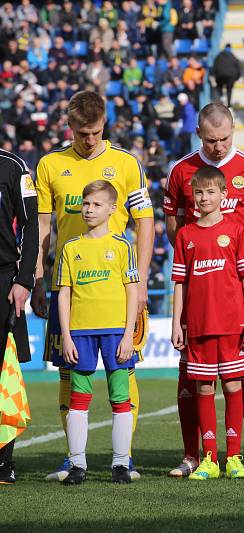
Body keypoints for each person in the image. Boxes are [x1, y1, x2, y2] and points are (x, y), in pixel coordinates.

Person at [32, 91, 154, 482]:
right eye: (83, 132)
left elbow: (145, 222)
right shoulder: (50, 164)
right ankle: (74, 459)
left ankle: (125, 458)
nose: (89, 139)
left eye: (96, 132)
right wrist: (36, 277)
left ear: (106, 125)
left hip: (118, 289)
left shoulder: (127, 163)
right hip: (69, 285)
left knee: (124, 374)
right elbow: (43, 227)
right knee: (68, 376)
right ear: (70, 126)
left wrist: (144, 278)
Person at [165, 102, 244, 477]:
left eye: (225, 138)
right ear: (199, 133)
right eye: (211, 139)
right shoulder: (181, 171)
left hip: (240, 287)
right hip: (200, 289)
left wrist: (241, 261)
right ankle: (192, 454)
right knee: (192, 376)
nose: (218, 146)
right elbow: (174, 226)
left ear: (234, 131)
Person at [171, 166, 244, 481]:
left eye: (210, 192)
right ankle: (209, 458)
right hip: (198, 325)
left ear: (224, 195)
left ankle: (234, 457)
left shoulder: (236, 230)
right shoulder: (186, 235)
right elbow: (179, 282)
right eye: (198, 192)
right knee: (204, 386)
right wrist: (176, 322)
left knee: (233, 384)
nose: (204, 197)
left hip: (233, 324)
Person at [57, 181, 139, 485]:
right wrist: (66, 335)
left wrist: (128, 333)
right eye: (86, 204)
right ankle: (78, 465)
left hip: (116, 332)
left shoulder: (122, 246)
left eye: (97, 204)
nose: (90, 209)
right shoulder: (71, 248)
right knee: (79, 398)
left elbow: (132, 292)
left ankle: (120, 464)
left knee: (120, 397)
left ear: (111, 209)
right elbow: (64, 294)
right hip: (80, 333)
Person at [0, 149, 38, 485]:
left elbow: (30, 224)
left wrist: (24, 279)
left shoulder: (14, 167)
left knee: (5, 373)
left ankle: (3, 461)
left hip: (3, 281)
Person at [212, 44, 241, 108]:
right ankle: (229, 104)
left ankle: (222, 97)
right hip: (231, 76)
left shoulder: (218, 55)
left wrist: (214, 75)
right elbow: (238, 67)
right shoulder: (233, 56)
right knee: (229, 89)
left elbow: (214, 66)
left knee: (219, 86)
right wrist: (237, 77)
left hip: (220, 75)